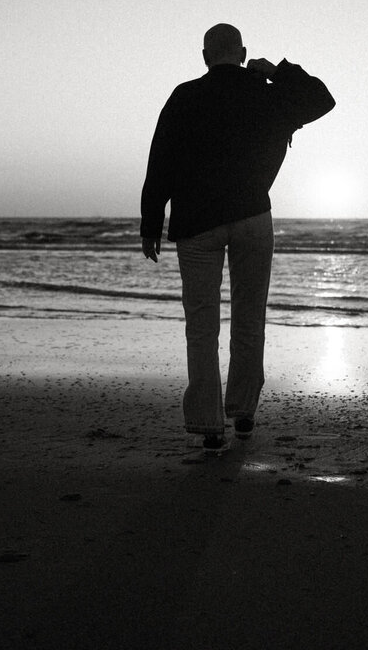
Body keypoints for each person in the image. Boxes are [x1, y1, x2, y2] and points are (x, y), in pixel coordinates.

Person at [140, 23, 336, 452]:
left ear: (205, 55)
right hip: (252, 217)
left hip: (197, 222)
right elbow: (323, 99)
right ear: (243, 53)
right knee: (249, 318)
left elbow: (161, 160)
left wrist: (150, 220)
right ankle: (243, 410)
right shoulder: (268, 93)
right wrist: (278, 70)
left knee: (201, 325)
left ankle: (209, 424)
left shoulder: (184, 96)